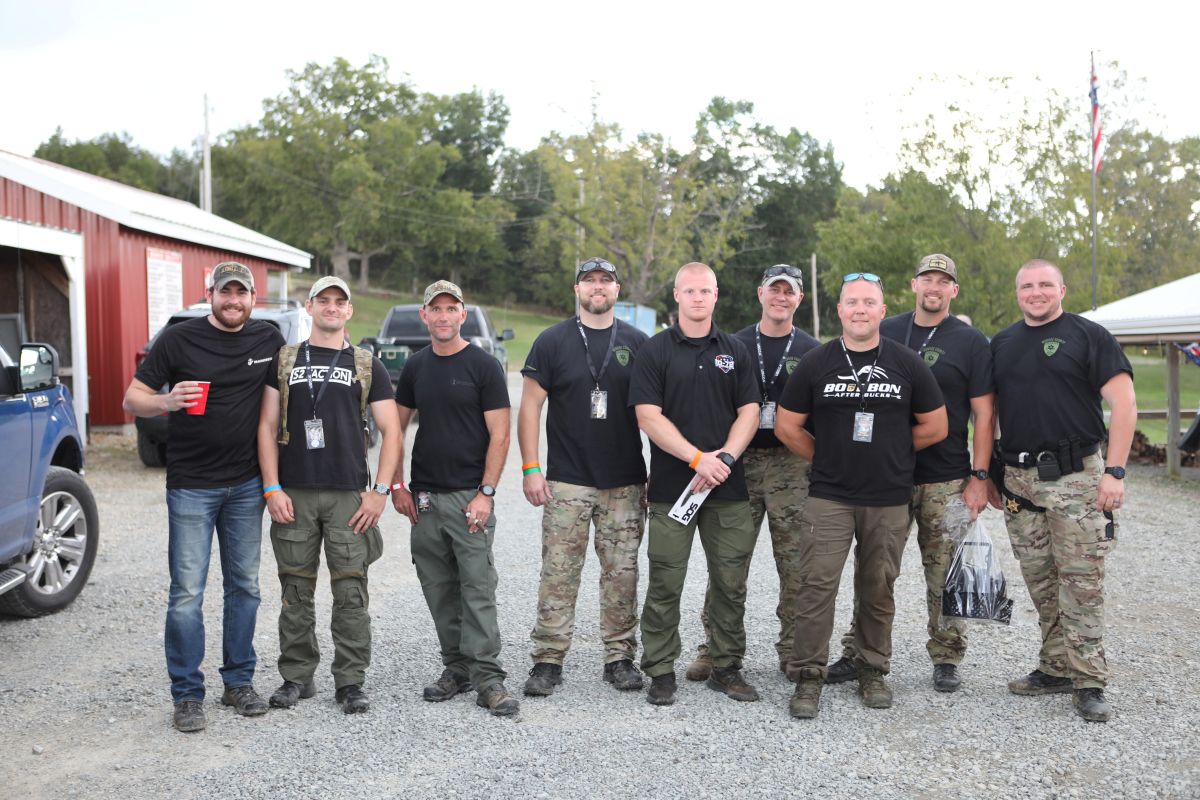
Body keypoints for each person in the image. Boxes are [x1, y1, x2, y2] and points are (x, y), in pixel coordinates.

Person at [775, 272, 946, 719]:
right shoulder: (817, 362)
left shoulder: (908, 363)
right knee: (816, 586)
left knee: (878, 587)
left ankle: (871, 669)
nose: (860, 310)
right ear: (840, 310)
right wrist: (825, 456)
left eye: (869, 302)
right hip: (829, 495)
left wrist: (894, 450)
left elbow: (936, 426)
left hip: (887, 496)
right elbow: (787, 426)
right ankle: (808, 675)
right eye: (852, 302)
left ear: (882, 311)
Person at [123, 261, 284, 732]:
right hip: (191, 486)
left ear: (252, 297)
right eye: (225, 292)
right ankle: (188, 695)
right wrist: (167, 401)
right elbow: (132, 399)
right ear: (209, 294)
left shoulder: (268, 339)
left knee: (245, 587)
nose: (233, 300)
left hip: (247, 485)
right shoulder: (178, 339)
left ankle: (238, 682)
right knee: (187, 593)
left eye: (241, 293)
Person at [827, 254, 994, 693]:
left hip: (947, 477)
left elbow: (984, 413)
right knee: (875, 569)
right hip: (887, 476)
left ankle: (947, 655)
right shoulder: (886, 329)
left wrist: (980, 476)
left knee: (945, 570)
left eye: (943, 281)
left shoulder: (970, 341)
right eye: (927, 279)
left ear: (954, 290)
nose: (934, 287)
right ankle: (858, 650)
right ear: (914, 285)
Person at [988, 259, 1135, 723]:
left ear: (1062, 290)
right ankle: (1055, 667)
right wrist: (988, 473)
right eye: (1027, 285)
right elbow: (988, 412)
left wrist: (1115, 471)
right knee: (1040, 580)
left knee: (1081, 582)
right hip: (1019, 480)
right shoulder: (1002, 343)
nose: (1036, 292)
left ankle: (1089, 681)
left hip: (1076, 478)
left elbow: (1125, 403)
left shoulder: (1089, 336)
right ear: (1017, 293)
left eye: (1045, 285)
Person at [256, 276, 400, 714]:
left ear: (349, 310)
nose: (332, 307)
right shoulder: (285, 359)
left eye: (340, 302)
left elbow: (392, 431)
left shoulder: (367, 364)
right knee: (295, 590)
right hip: (294, 493)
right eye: (324, 300)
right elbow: (266, 425)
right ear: (310, 306)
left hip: (348, 496)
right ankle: (296, 677)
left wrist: (379, 492)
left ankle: (350, 681)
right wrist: (271, 487)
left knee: (351, 591)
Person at [628, 262, 761, 706]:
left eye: (705, 291)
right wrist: (697, 458)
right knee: (666, 581)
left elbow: (749, 412)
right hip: (673, 490)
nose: (698, 298)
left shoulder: (736, 350)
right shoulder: (655, 350)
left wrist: (724, 458)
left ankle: (727, 667)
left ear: (716, 295)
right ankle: (661, 670)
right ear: (677, 296)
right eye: (690, 291)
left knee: (730, 583)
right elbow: (648, 416)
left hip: (727, 488)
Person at [518, 258, 650, 697]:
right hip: (567, 481)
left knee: (622, 575)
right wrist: (531, 467)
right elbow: (530, 407)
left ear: (617, 290)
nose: (597, 287)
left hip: (624, 483)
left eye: (605, 281)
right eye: (589, 280)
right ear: (577, 289)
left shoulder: (638, 343)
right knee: (558, 573)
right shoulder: (552, 341)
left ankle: (620, 657)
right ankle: (548, 659)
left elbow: (654, 412)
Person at [684, 264, 820, 681]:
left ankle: (794, 651)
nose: (781, 297)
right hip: (738, 463)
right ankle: (716, 649)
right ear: (760, 293)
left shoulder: (812, 351)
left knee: (796, 564)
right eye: (774, 290)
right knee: (728, 562)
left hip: (791, 466)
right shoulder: (733, 345)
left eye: (789, 291)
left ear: (799, 299)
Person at [391, 280, 519, 717]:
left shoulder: (484, 366)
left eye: (451, 309)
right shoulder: (415, 367)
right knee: (439, 589)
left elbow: (500, 436)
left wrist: (486, 493)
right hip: (425, 499)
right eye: (436, 309)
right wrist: (397, 486)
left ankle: (489, 678)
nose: (443, 316)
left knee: (477, 588)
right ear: (424, 316)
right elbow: (394, 431)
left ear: (463, 314)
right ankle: (457, 668)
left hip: (469, 498)